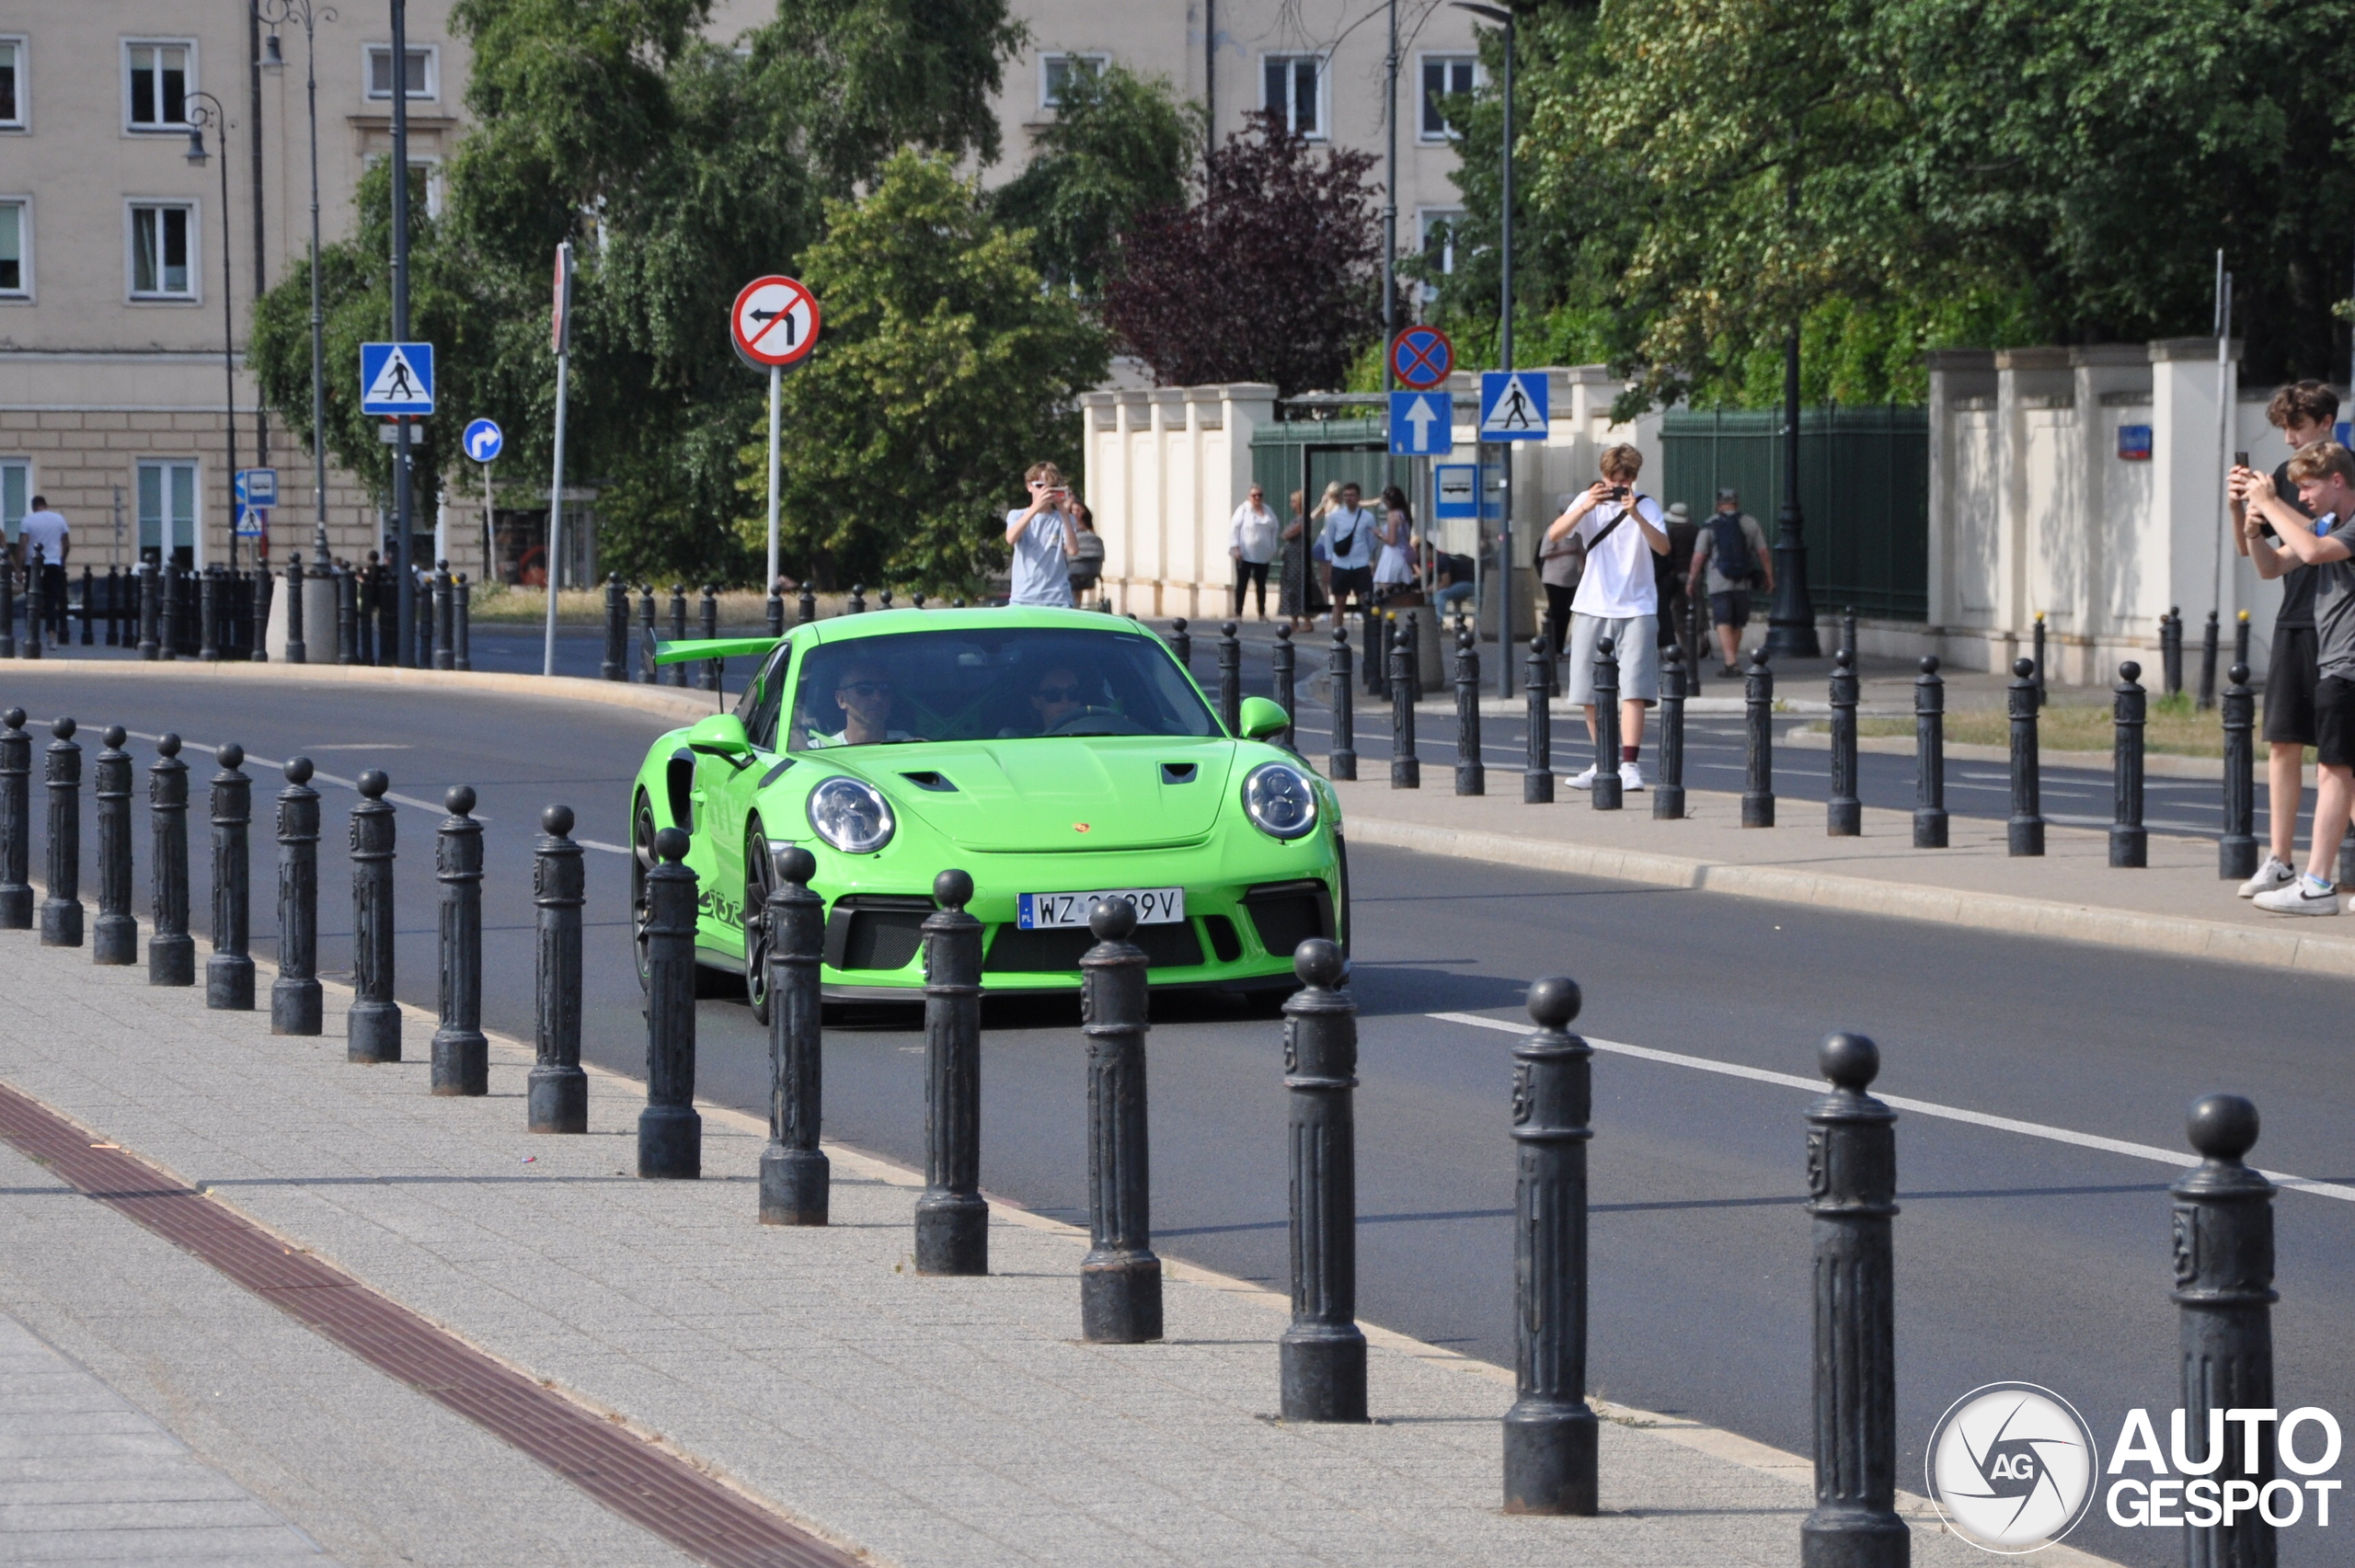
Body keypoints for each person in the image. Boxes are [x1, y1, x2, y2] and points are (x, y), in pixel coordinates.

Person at [2233, 441, 2355, 914]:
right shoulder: (2329, 522)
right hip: (2337, 662)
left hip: (2347, 665)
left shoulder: (2347, 528)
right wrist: (2255, 531)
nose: (2301, 496)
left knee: (2333, 771)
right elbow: (2274, 566)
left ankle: (2318, 885)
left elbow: (2313, 548)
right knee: (2341, 773)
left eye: (2308, 487)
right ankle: (2317, 882)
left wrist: (2268, 501)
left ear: (2338, 481)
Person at [1543, 443, 1671, 791]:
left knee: (1633, 688)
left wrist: (1636, 516)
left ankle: (1629, 764)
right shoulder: (1589, 502)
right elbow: (1555, 534)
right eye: (1613, 480)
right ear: (1603, 477)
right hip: (1591, 604)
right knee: (1587, 689)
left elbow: (1663, 547)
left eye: (1625, 480)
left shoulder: (1646, 505)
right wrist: (1586, 505)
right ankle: (1604, 760)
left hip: (1637, 606)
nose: (1618, 487)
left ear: (1634, 478)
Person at [1688, 487, 1774, 675]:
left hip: (1718, 581)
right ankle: (1731, 660)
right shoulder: (1750, 523)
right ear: (1736, 503)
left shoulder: (1710, 525)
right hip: (1743, 580)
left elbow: (1699, 556)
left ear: (1719, 505)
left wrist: (1691, 579)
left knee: (1723, 620)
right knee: (1737, 622)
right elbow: (1763, 553)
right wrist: (1769, 577)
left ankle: (1730, 661)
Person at [1005, 462, 1077, 608]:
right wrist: (1034, 508)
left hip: (1058, 599)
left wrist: (1064, 513)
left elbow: (1072, 550)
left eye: (1051, 487)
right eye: (1040, 486)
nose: (1045, 492)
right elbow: (1011, 538)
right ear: (1029, 486)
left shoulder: (1065, 518)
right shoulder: (1017, 515)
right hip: (1024, 597)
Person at [808, 658, 915, 748]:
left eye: (884, 688)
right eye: (864, 688)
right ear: (841, 699)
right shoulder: (816, 752)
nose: (877, 697)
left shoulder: (910, 746)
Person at [1324, 482, 1378, 628]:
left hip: (1360, 564)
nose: (1349, 498)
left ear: (1358, 497)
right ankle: (1337, 633)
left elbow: (1371, 540)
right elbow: (1329, 539)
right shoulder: (1335, 517)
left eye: (1352, 495)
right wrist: (1330, 560)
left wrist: (1366, 555)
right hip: (1341, 563)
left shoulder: (1367, 517)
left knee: (1365, 599)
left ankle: (1370, 632)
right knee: (1340, 601)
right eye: (1346, 495)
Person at [1537, 498, 1584, 660]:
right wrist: (1567, 551)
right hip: (1555, 578)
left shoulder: (1577, 530)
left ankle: (1560, 647)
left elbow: (1581, 551)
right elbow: (1544, 553)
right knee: (1557, 613)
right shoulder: (1555, 528)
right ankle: (1553, 648)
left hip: (1572, 578)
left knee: (1566, 614)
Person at [18, 496, 69, 647]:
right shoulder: (59, 519)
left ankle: (31, 635)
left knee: (32, 600)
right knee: (51, 601)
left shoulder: (28, 521)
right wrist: (62, 560)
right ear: (45, 505)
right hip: (53, 563)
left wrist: (18, 569)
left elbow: (22, 545)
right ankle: (52, 636)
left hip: (33, 564)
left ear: (33, 507)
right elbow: (66, 544)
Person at [1656, 499, 1699, 663]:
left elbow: (1666, 554)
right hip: (1695, 573)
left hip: (1676, 574)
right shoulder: (1696, 530)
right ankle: (1699, 642)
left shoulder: (1671, 533)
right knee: (1695, 610)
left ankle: (1684, 646)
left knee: (1677, 612)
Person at [1279, 487, 1327, 628]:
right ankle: (1294, 621)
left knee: (1301, 588)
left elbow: (1287, 534)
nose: (1291, 504)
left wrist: (1286, 534)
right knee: (1290, 589)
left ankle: (1307, 621)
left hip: (1299, 560)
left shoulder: (1304, 519)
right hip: (1291, 560)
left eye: (1294, 501)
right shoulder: (1297, 518)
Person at [1229, 484, 1280, 619]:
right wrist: (1235, 548)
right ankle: (1238, 613)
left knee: (1261, 585)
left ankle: (1262, 613)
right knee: (1242, 584)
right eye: (1254, 495)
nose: (1257, 498)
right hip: (1245, 554)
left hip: (1263, 555)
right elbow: (1234, 528)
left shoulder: (1268, 511)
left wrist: (1273, 548)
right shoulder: (1243, 510)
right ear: (1249, 497)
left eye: (1260, 495)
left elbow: (1274, 529)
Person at [1373, 485, 1417, 599]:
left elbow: (1392, 540)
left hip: (1391, 556)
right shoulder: (1405, 514)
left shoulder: (1392, 515)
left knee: (1385, 589)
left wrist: (1379, 534)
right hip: (1403, 555)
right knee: (1402, 593)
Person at [1027, 664, 1091, 733]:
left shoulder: (1099, 732)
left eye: (1073, 693)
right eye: (1053, 693)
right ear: (1036, 702)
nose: (1065, 700)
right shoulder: (1020, 740)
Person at [1068, 499, 1105, 605]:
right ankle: (1075, 603)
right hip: (1074, 562)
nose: (1076, 512)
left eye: (1078, 510)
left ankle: (1077, 603)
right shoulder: (1068, 524)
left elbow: (1093, 540)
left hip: (1083, 562)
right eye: (1073, 510)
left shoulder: (1088, 529)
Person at [1432, 549, 1476, 617]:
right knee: (1450, 592)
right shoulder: (1445, 557)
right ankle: (1458, 618)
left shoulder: (1442, 559)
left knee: (1441, 594)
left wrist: (1431, 589)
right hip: (1471, 583)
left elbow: (1445, 583)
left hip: (1468, 583)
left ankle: (1438, 621)